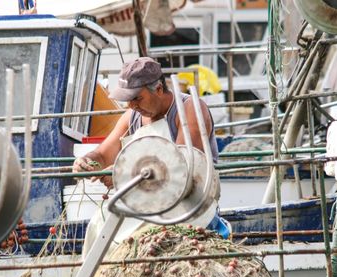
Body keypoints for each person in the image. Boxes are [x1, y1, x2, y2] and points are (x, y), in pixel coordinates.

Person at [73, 57, 230, 255]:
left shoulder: (189, 109)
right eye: (127, 99)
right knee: (98, 224)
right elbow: (103, 154)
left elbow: (181, 169)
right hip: (147, 205)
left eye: (137, 98)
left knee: (132, 238)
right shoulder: (133, 117)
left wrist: (124, 176)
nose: (131, 105)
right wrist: (88, 162)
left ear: (158, 89)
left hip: (188, 208)